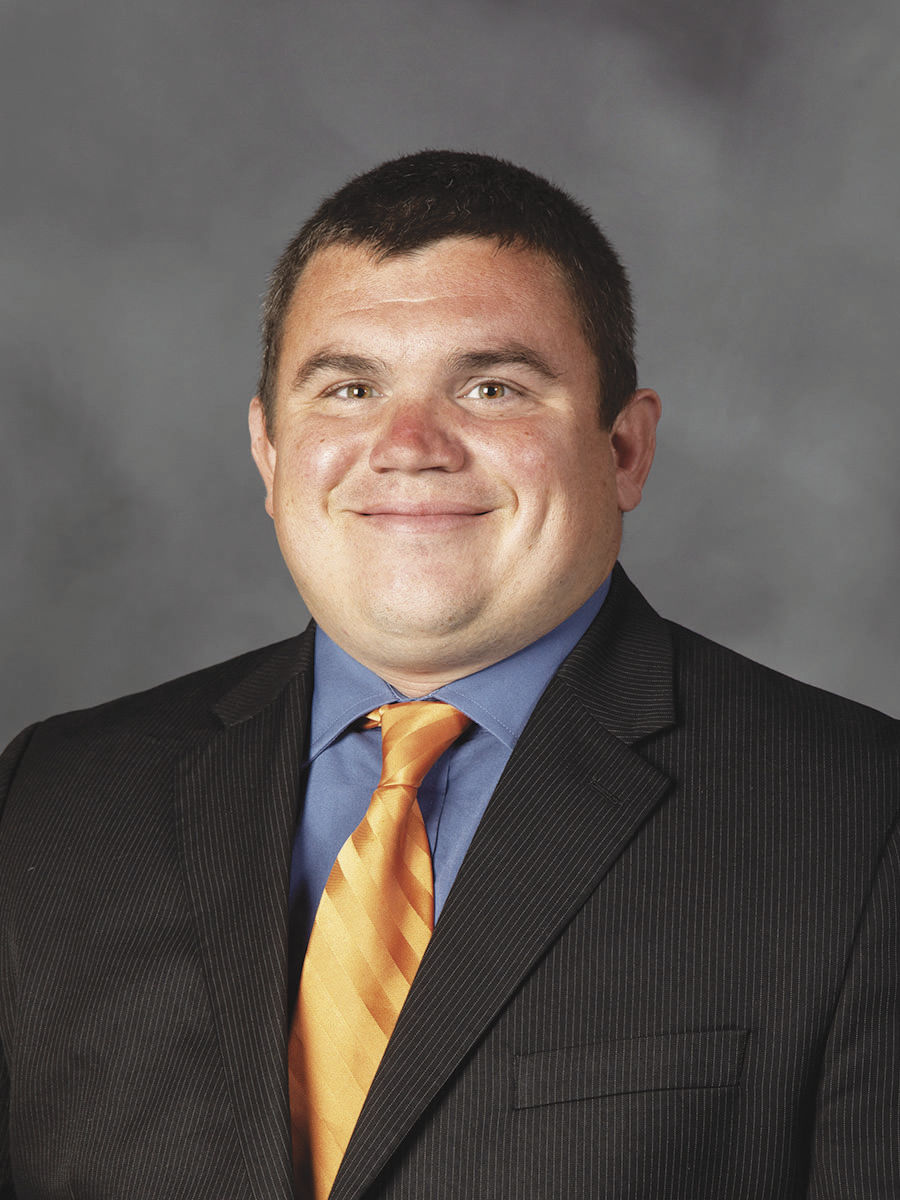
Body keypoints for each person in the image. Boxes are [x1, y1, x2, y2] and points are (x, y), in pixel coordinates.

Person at [0, 151, 897, 1200]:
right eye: (350, 388)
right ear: (270, 454)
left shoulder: (861, 822)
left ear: (624, 450)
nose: (410, 445)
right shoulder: (50, 802)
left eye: (492, 387)